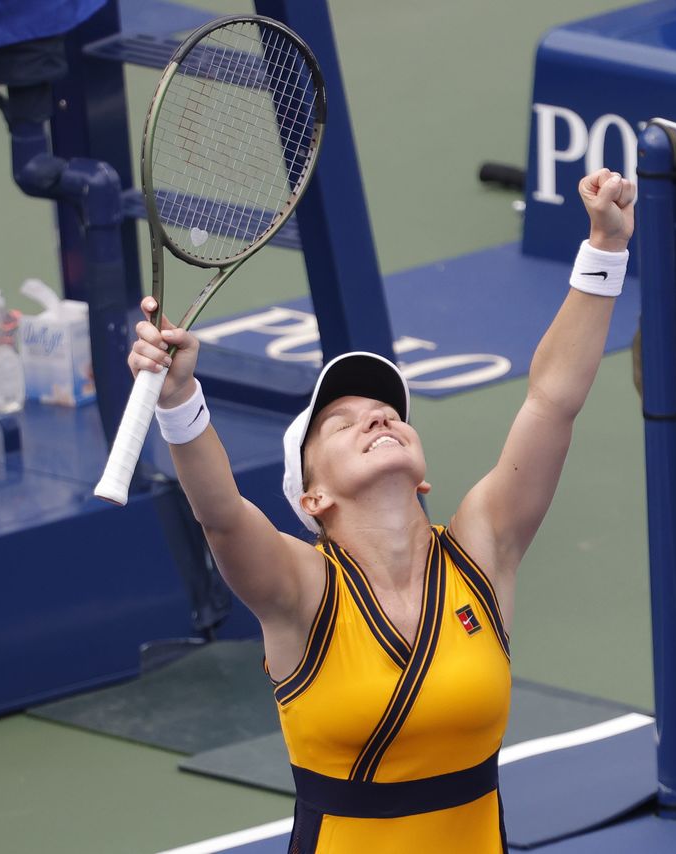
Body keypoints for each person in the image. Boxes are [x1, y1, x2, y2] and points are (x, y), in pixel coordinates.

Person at [127, 168, 636, 852]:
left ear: (422, 478)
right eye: (342, 424)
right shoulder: (301, 589)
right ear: (312, 499)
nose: (377, 419)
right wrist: (179, 401)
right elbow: (221, 514)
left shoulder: (482, 550)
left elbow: (551, 402)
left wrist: (605, 248)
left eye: (388, 414)